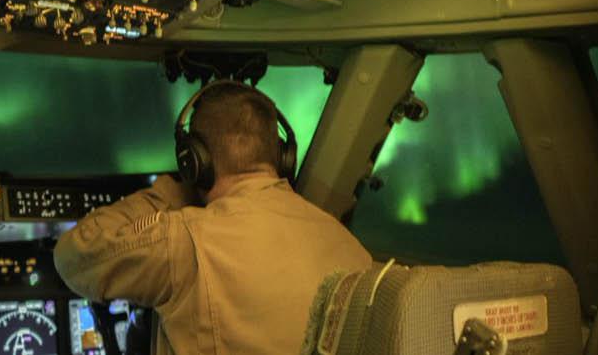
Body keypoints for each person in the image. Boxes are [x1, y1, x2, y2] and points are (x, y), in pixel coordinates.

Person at [54, 80, 372, 354]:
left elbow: (73, 257)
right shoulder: (353, 250)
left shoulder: (186, 240)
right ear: (282, 156)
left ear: (194, 162)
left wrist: (171, 193)